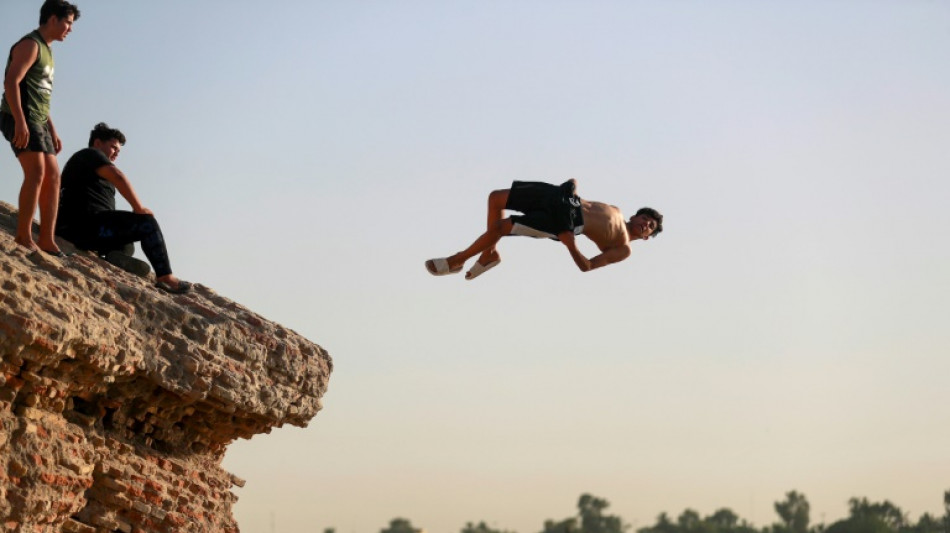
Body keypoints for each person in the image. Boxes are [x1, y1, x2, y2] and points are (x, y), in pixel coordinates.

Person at [425, 179, 663, 279]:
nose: (646, 224)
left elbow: (587, 266)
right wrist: (574, 189)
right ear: (635, 215)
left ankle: (457, 259)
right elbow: (586, 204)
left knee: (500, 227)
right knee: (496, 198)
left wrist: (571, 244)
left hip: (565, 225)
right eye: (645, 218)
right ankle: (489, 254)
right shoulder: (616, 209)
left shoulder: (623, 248)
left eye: (650, 227)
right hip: (564, 199)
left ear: (646, 237)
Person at [56, 122, 192, 294]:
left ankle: (114, 256)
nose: (116, 153)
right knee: (147, 224)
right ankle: (166, 277)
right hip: (82, 225)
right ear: (97, 143)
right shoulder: (89, 154)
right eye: (113, 147)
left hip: (83, 231)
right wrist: (138, 208)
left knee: (127, 245)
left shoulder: (91, 169)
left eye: (118, 151)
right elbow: (118, 176)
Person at [0, 0, 80, 256]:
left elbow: (40, 95)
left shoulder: (48, 50)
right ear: (52, 19)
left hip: (38, 120)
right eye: (67, 22)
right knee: (36, 172)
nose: (70, 28)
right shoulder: (30, 44)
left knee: (54, 176)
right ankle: (23, 235)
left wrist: (52, 129)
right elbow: (11, 82)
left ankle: (46, 239)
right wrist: (20, 121)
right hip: (18, 116)